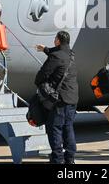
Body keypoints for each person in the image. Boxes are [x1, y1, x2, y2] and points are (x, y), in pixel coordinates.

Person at [35, 31, 79, 164]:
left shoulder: (55, 56)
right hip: (72, 98)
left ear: (58, 41)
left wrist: (40, 83)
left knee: (54, 128)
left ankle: (57, 158)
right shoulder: (71, 55)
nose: (54, 40)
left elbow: (42, 75)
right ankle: (70, 158)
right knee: (68, 127)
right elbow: (60, 55)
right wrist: (46, 50)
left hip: (60, 100)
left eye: (55, 39)